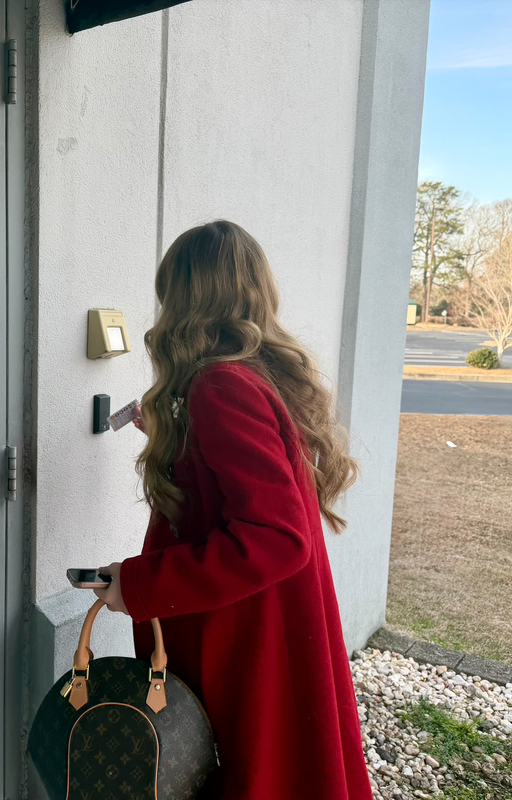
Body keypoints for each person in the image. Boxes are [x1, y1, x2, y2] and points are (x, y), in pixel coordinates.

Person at [94, 220, 372, 799]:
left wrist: (139, 584)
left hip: (246, 643)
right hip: (266, 624)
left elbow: (275, 535)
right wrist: (183, 434)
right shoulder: (251, 375)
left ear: (187, 299)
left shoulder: (221, 386)